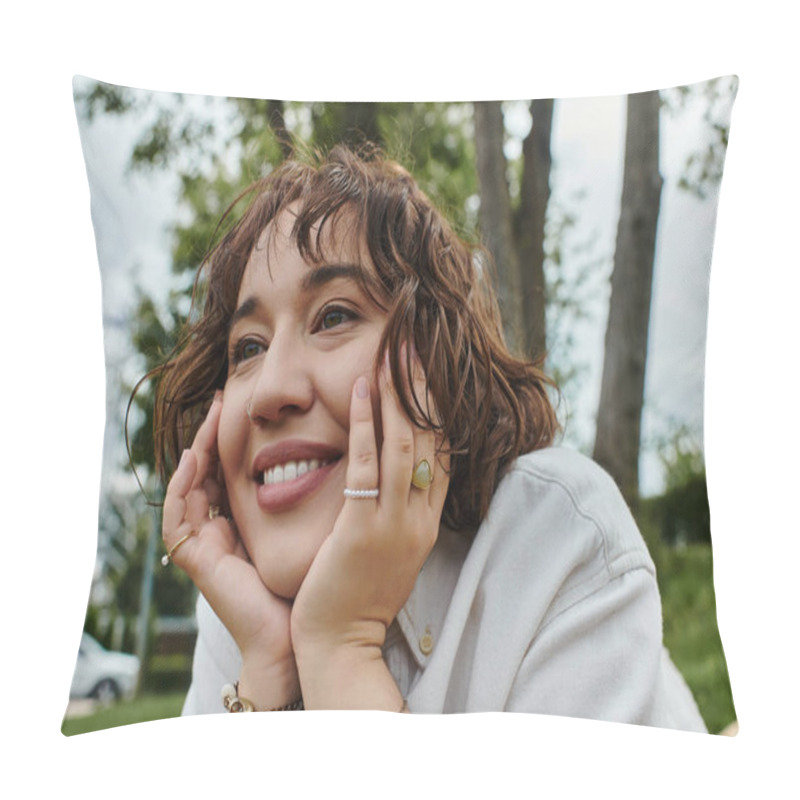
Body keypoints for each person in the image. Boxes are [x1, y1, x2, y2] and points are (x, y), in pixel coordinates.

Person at [152, 144, 706, 729]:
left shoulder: (560, 535)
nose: (268, 390)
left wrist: (340, 649)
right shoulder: (237, 601)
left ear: (439, 357)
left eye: (334, 316)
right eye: (249, 348)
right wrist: (269, 664)